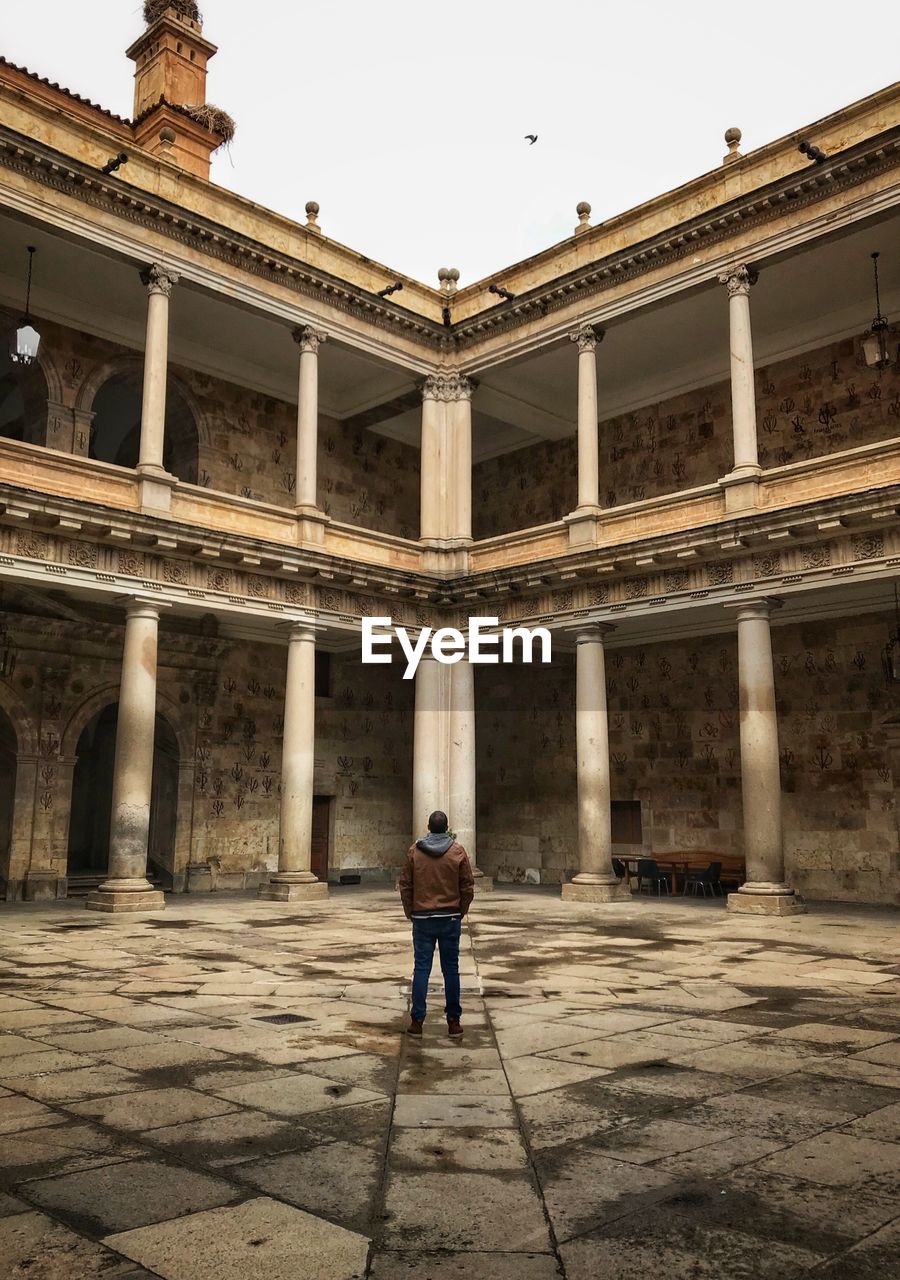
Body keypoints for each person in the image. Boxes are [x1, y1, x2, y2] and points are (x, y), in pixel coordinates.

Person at [399, 810, 475, 1037]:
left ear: (429, 827)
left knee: (421, 969)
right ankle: (453, 1021)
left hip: (422, 917)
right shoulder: (457, 851)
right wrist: (460, 911)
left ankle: (417, 1021)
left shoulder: (415, 851)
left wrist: (410, 912)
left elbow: (405, 884)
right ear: (447, 827)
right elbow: (467, 886)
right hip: (449, 916)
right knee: (451, 969)